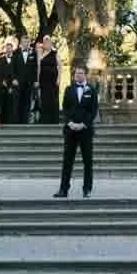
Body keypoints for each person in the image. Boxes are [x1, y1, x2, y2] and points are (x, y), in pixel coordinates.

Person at [55, 62, 99, 198]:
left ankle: (87, 189)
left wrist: (84, 124)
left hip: (85, 130)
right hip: (71, 130)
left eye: (80, 73)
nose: (77, 75)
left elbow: (93, 111)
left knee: (87, 160)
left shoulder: (91, 90)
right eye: (76, 73)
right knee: (67, 160)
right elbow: (65, 108)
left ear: (85, 75)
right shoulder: (69, 89)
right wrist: (70, 123)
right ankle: (63, 189)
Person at [35, 34, 61, 124]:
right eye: (45, 42)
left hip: (53, 81)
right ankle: (45, 119)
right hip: (43, 80)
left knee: (53, 100)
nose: (47, 44)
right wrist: (38, 81)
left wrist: (59, 78)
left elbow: (59, 67)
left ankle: (54, 119)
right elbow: (39, 67)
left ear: (51, 43)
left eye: (48, 42)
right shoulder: (40, 54)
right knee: (44, 99)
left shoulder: (55, 53)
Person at [0, 35, 19, 125]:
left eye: (10, 48)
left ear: (12, 49)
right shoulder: (1, 60)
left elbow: (17, 73)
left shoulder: (16, 60)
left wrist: (12, 85)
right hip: (3, 85)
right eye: (7, 48)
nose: (8, 50)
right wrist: (4, 83)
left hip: (14, 85)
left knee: (14, 99)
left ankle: (13, 121)